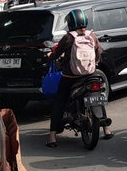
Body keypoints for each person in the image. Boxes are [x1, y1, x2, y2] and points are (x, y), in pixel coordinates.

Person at [46, 9, 112, 146]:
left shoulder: (68, 38)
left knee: (60, 100)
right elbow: (99, 51)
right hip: (90, 74)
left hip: (71, 76)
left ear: (70, 23)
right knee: (97, 97)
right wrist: (96, 63)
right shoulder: (92, 35)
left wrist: (49, 57)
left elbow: (56, 55)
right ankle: (106, 129)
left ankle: (52, 136)